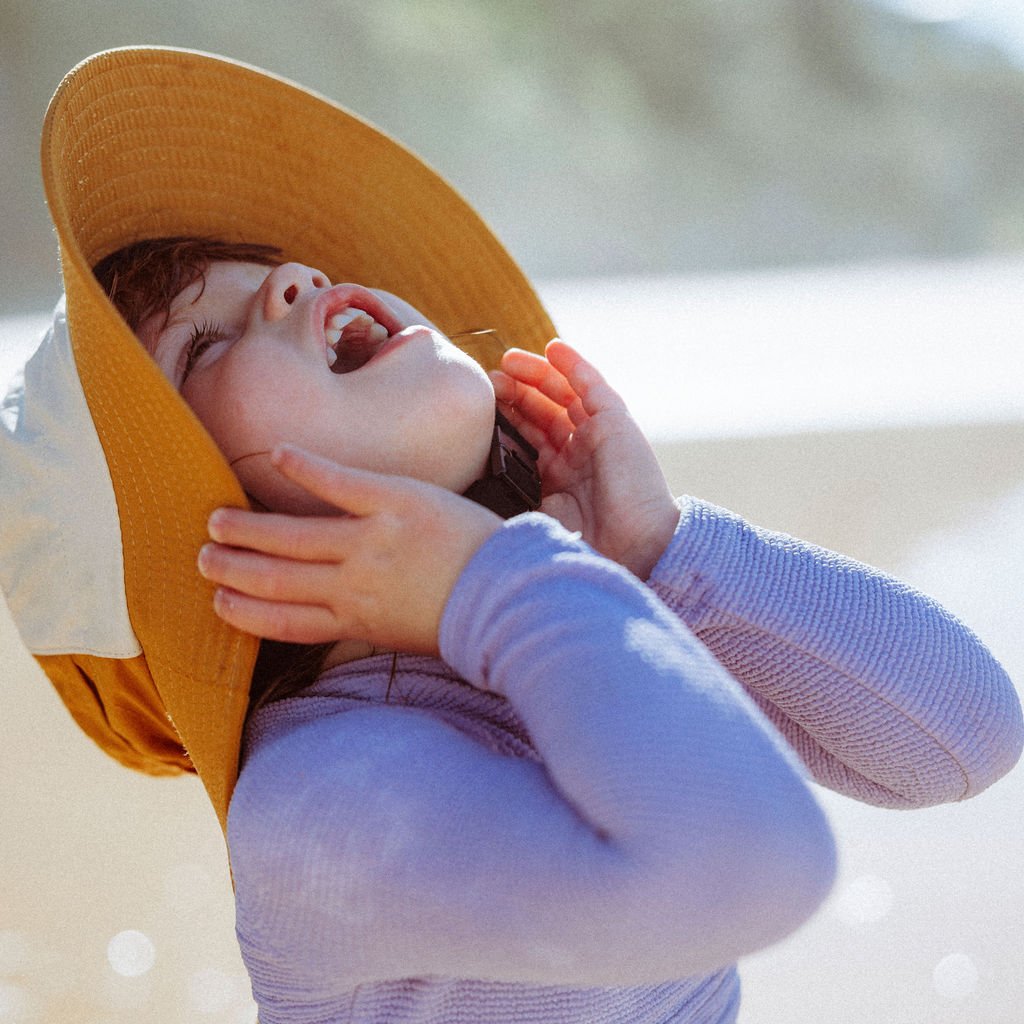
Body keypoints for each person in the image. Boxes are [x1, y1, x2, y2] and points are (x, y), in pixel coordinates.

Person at [1, 47, 1020, 1024]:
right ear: (211, 546)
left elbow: (964, 740)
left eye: (274, 269)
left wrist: (661, 554)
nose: (296, 280)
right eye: (207, 343)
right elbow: (758, 869)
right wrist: (495, 585)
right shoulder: (312, 805)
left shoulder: (563, 616)